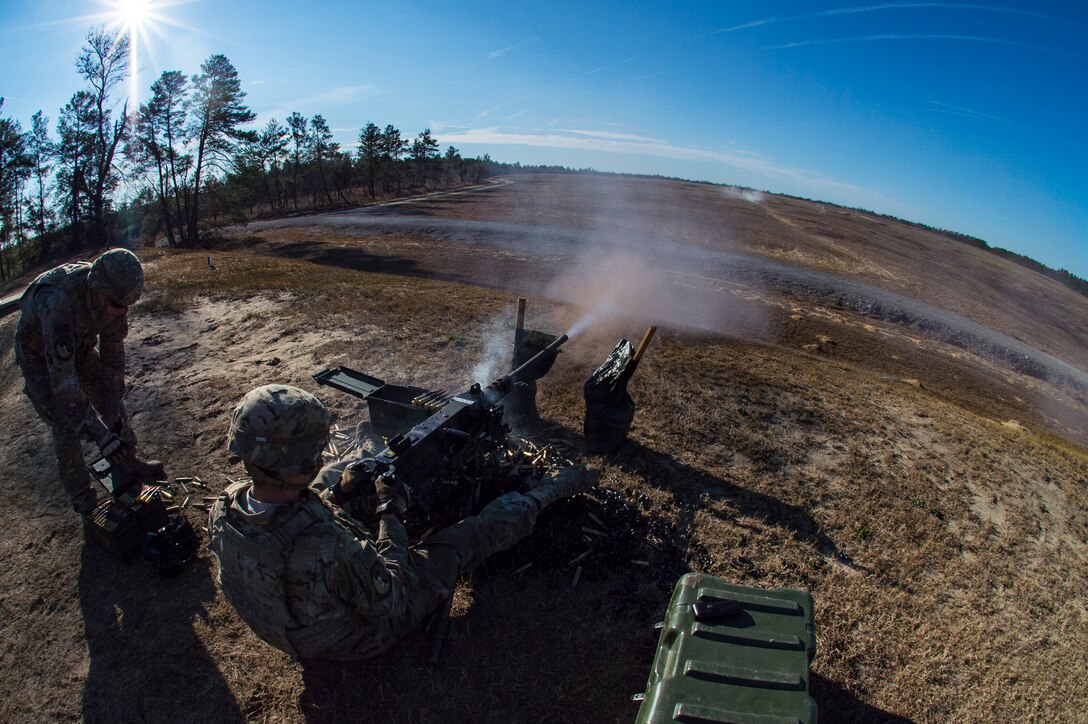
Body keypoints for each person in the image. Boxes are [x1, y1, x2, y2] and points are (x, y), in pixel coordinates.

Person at [208, 383, 596, 661]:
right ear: (303, 458)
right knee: (463, 538)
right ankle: (549, 491)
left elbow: (291, 518)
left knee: (340, 473)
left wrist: (340, 494)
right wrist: (389, 512)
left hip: (287, 625)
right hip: (352, 639)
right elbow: (392, 595)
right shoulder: (326, 548)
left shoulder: (226, 505)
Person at [14, 248, 165, 515]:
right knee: (64, 422)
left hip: (80, 348)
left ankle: (128, 462)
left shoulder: (116, 298)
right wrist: (100, 434)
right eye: (117, 305)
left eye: (125, 306)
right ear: (97, 288)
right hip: (40, 359)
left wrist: (113, 409)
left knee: (111, 397)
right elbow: (63, 380)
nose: (121, 312)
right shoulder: (58, 301)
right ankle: (83, 497)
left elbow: (113, 356)